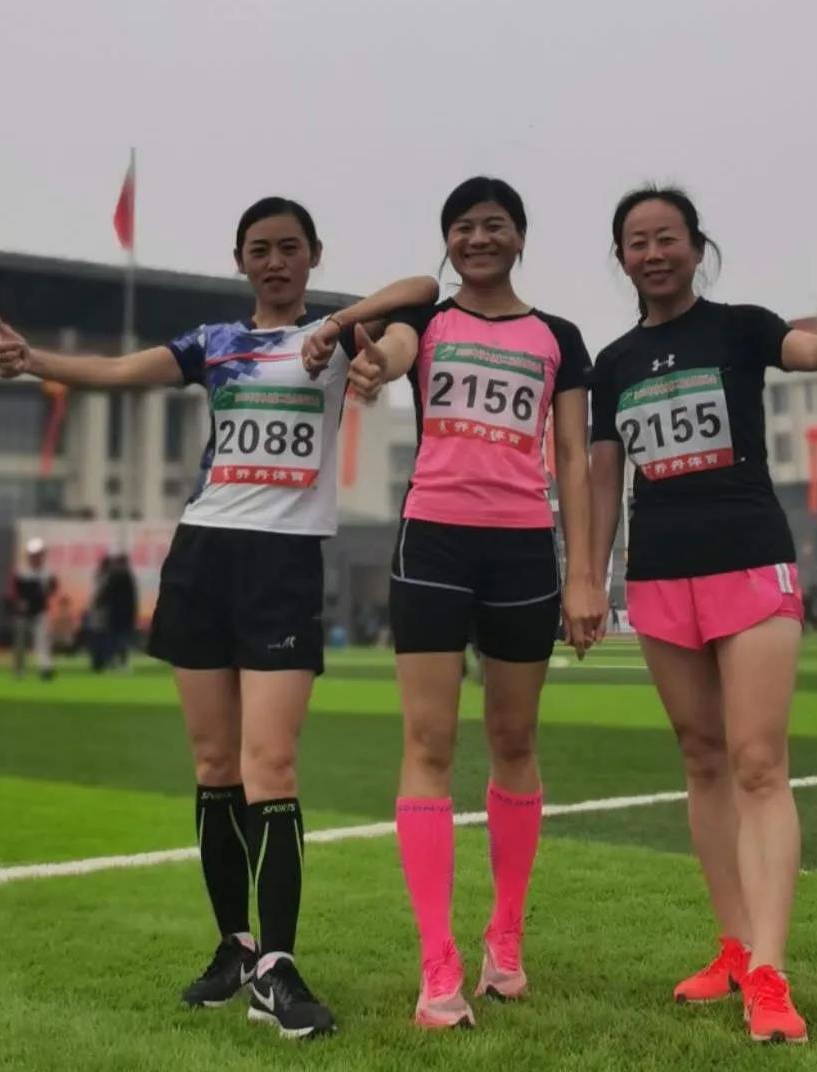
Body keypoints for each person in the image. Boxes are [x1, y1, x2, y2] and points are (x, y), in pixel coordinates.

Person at [0, 195, 438, 1041]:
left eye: (289, 247)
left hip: (284, 567)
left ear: (312, 256)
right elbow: (121, 372)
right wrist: (35, 359)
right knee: (213, 764)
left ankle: (278, 967)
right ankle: (235, 948)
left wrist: (340, 323)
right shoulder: (216, 342)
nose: (274, 261)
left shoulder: (339, 340)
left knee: (272, 764)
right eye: (258, 249)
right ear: (240, 261)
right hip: (202, 555)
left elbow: (421, 288)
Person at [588, 185, 817, 1045]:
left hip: (750, 564)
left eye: (668, 238)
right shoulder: (614, 363)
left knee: (758, 763)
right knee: (702, 760)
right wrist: (589, 578)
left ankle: (769, 971)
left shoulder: (741, 327)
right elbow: (604, 480)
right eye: (637, 242)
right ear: (621, 259)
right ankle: (732, 947)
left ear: (697, 247)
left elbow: (815, 351)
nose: (654, 253)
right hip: (659, 578)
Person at [340, 176, 604, 1028]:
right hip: (433, 545)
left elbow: (573, 457)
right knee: (428, 742)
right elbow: (393, 354)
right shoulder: (428, 322)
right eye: (462, 227)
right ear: (447, 240)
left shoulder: (559, 337)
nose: (478, 239)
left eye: (494, 225)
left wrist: (585, 574)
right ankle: (437, 964)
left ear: (520, 237)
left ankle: (505, 940)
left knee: (514, 740)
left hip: (524, 551)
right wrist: (374, 365)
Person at [10, 538, 58, 680]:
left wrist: (47, 590)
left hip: (40, 611)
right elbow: (16, 591)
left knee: (42, 640)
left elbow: (53, 588)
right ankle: (19, 670)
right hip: (23, 613)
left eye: (39, 554)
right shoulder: (22, 572)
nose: (36, 557)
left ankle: (45, 668)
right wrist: (19, 602)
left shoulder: (47, 572)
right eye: (33, 555)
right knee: (20, 643)